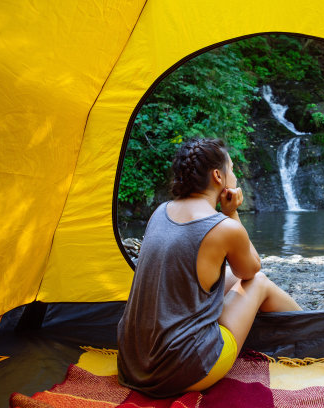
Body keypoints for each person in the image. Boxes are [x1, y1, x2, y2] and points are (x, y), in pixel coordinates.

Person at [117, 138, 302, 398]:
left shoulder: (160, 211)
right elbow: (251, 269)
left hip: (133, 365)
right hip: (184, 371)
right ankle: (312, 332)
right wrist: (232, 213)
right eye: (232, 169)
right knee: (258, 283)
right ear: (218, 176)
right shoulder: (224, 227)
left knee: (226, 277)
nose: (235, 176)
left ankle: (304, 325)